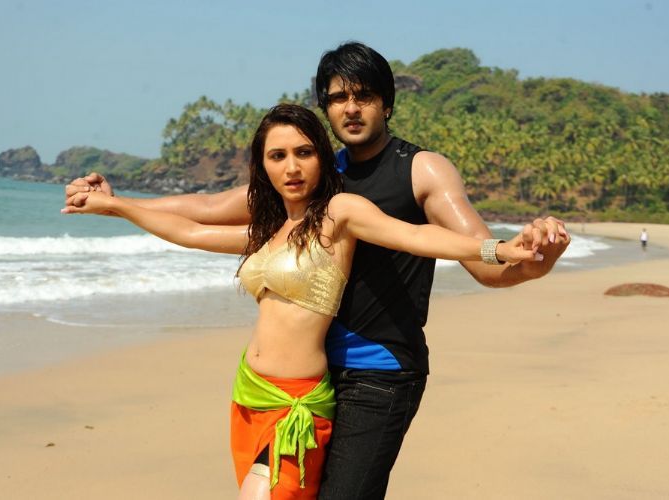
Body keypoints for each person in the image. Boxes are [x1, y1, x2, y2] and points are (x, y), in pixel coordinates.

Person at [65, 42, 570, 499]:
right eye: (337, 98)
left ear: (387, 103)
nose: (351, 107)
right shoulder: (314, 177)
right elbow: (207, 210)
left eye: (364, 95)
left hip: (380, 371)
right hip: (313, 376)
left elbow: (467, 258)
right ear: (325, 108)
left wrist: (523, 258)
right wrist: (116, 203)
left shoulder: (419, 169)